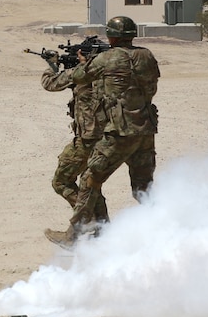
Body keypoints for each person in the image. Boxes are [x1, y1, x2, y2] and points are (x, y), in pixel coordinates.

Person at [44, 16, 160, 249]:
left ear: (112, 37)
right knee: (143, 190)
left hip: (119, 133)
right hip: (145, 130)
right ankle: (167, 229)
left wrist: (73, 65)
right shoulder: (146, 55)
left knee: (89, 180)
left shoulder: (106, 60)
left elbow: (70, 78)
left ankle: (73, 235)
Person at [40, 50, 110, 229]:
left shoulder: (82, 72)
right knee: (91, 184)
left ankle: (89, 221)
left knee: (61, 181)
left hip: (88, 139)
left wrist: (52, 66)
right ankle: (103, 228)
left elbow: (50, 83)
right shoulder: (112, 72)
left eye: (80, 54)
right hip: (109, 138)